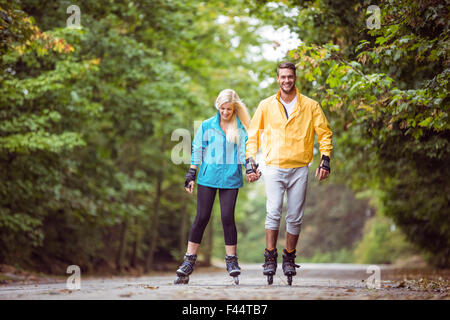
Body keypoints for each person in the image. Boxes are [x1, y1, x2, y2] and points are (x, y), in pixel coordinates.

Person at [245, 62, 333, 285]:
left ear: (295, 78)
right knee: (273, 211)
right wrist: (250, 161)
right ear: (278, 79)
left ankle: (289, 258)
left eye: (290, 77)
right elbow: (253, 135)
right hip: (273, 166)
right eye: (283, 77)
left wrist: (325, 159)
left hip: (300, 167)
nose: (287, 80)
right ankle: (270, 257)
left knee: (295, 216)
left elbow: (324, 133)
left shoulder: (311, 106)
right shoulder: (266, 106)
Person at [175, 89, 252, 285]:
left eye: (229, 109)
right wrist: (191, 173)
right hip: (207, 177)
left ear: (235, 108)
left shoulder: (241, 127)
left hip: (230, 178)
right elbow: (197, 148)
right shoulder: (207, 124)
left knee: (227, 218)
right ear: (218, 106)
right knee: (201, 217)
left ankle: (232, 261)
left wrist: (250, 167)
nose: (225, 112)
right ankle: (188, 262)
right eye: (222, 108)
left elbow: (245, 151)